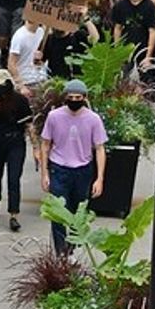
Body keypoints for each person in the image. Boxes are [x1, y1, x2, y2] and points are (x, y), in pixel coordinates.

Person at [40, 79, 107, 254]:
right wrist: (44, 174)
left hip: (83, 170)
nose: (74, 100)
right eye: (71, 97)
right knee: (59, 213)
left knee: (79, 213)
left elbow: (100, 148)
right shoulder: (54, 117)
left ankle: (73, 249)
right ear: (65, 98)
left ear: (84, 98)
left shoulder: (93, 119)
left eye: (78, 97)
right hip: (59, 168)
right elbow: (45, 144)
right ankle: (61, 252)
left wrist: (99, 178)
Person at [0, 69, 33, 232]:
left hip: (15, 141)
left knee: (14, 178)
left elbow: (28, 122)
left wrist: (36, 145)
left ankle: (13, 213)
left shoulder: (19, 100)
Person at [111, 0, 155, 70]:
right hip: (126, 49)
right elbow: (117, 28)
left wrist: (148, 57)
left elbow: (152, 31)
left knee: (148, 81)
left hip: (143, 49)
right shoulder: (120, 6)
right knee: (122, 79)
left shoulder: (150, 7)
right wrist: (117, 52)